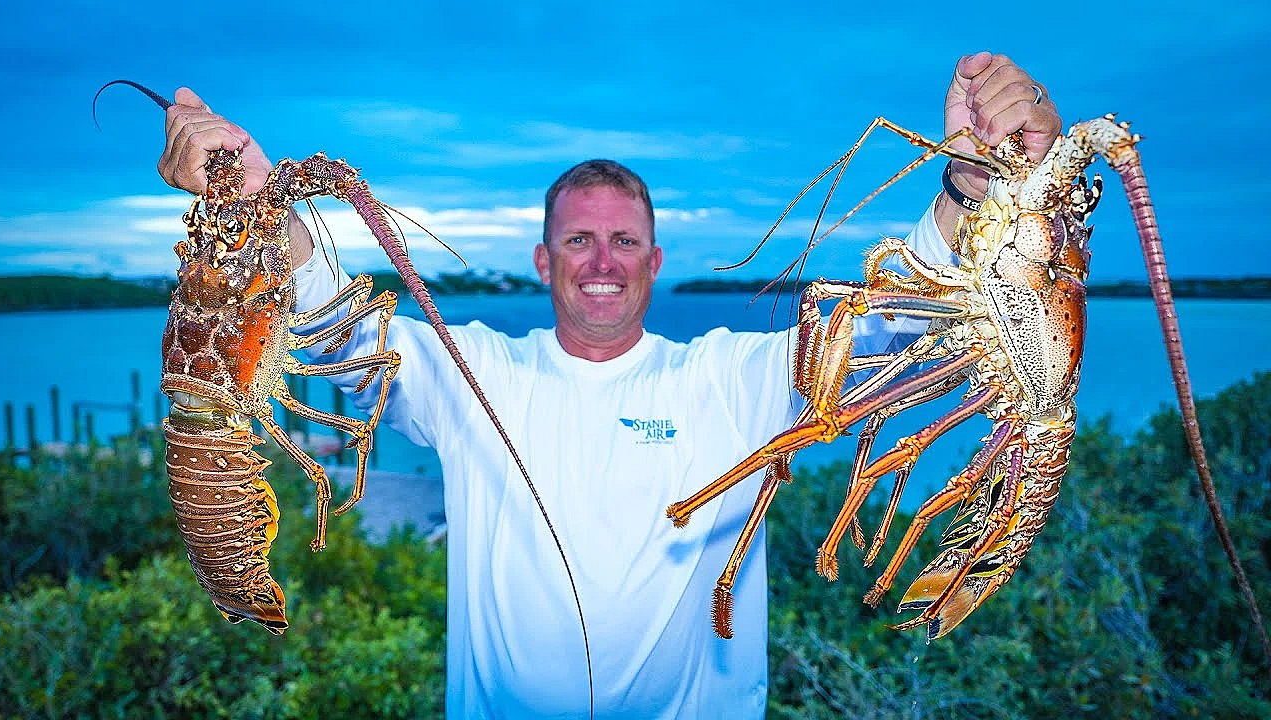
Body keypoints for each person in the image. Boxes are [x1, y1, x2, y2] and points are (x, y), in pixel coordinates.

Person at [159, 51, 1061, 719]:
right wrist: (259, 202)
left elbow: (886, 327)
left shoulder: (730, 378)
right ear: (543, 260)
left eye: (625, 240)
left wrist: (971, 184)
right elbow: (344, 335)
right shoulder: (476, 372)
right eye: (579, 241)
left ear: (655, 261)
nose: (602, 261)